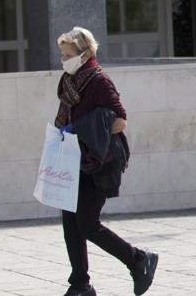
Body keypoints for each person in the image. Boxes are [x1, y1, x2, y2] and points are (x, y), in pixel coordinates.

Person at [53, 27, 159, 296]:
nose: (63, 60)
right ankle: (80, 285)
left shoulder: (100, 81)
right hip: (74, 158)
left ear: (85, 53)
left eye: (68, 55)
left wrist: (86, 131)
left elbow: (120, 120)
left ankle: (138, 260)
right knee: (70, 223)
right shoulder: (68, 80)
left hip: (99, 160)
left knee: (87, 223)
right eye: (62, 55)